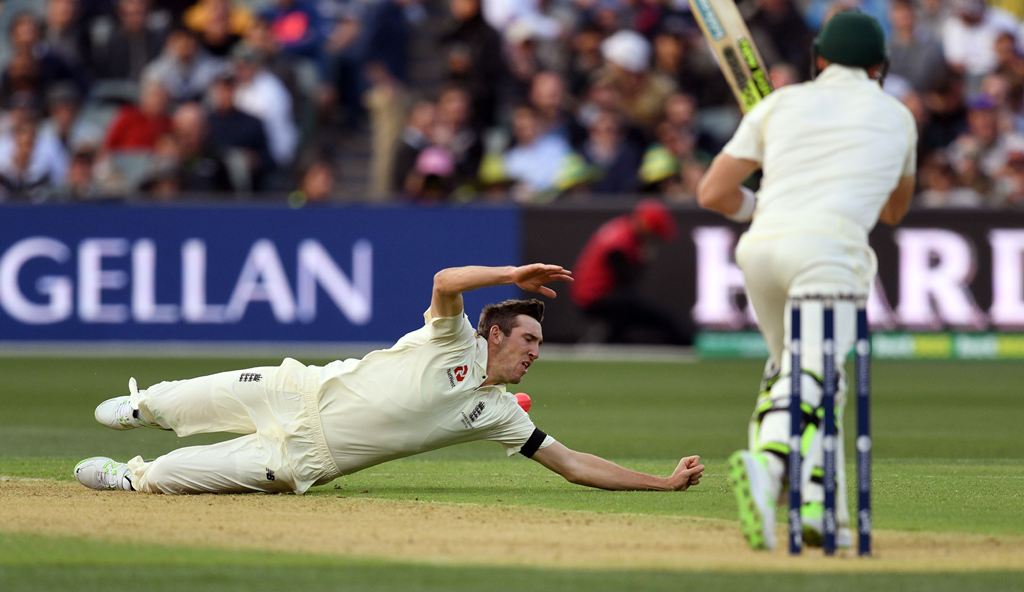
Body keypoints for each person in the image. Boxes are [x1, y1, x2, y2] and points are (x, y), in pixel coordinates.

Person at [74, 263, 705, 495]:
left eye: (539, 344)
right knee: (164, 400)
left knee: (167, 477)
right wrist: (511, 275)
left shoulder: (502, 415)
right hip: (296, 388)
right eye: (529, 339)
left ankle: (128, 476)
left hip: (301, 456)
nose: (536, 352)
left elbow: (573, 465)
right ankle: (142, 410)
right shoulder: (452, 334)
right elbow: (444, 280)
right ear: (495, 335)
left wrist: (662, 481)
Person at [696, 11, 916, 551]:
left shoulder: (779, 103)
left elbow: (713, 194)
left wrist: (766, 199)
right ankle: (769, 467)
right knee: (813, 376)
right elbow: (893, 211)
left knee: (798, 376)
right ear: (880, 67)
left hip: (761, 249)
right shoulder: (898, 118)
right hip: (829, 255)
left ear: (818, 59)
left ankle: (819, 506)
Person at [570, 200, 690, 345]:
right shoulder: (620, 241)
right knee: (646, 313)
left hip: (594, 296)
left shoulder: (620, 230)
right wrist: (642, 259)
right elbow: (625, 281)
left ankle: (609, 337)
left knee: (632, 310)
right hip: (595, 298)